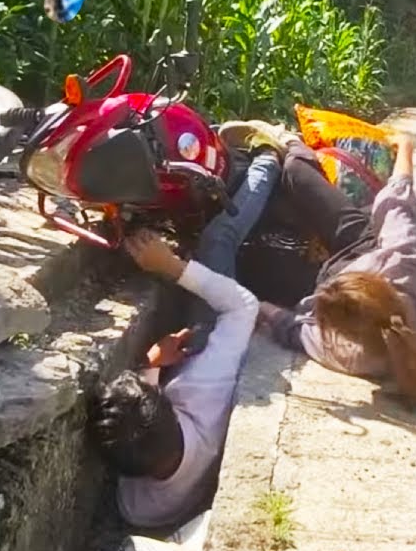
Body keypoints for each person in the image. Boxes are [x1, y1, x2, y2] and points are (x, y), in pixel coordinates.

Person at [86, 141, 280, 529]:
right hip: (214, 350)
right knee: (215, 241)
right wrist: (172, 267)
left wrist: (152, 369)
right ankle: (269, 161)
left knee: (201, 246)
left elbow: (139, 437)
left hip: (187, 396)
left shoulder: (138, 509)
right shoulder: (200, 388)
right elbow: (244, 305)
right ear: (169, 404)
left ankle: (228, 170)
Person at [238, 126, 416, 411]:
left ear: (337, 331)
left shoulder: (347, 353)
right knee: (295, 169)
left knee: (249, 265)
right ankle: (290, 139)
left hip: (321, 276)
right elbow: (397, 200)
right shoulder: (403, 262)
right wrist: (405, 147)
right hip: (360, 245)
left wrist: (255, 304)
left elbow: (290, 327)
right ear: (380, 282)